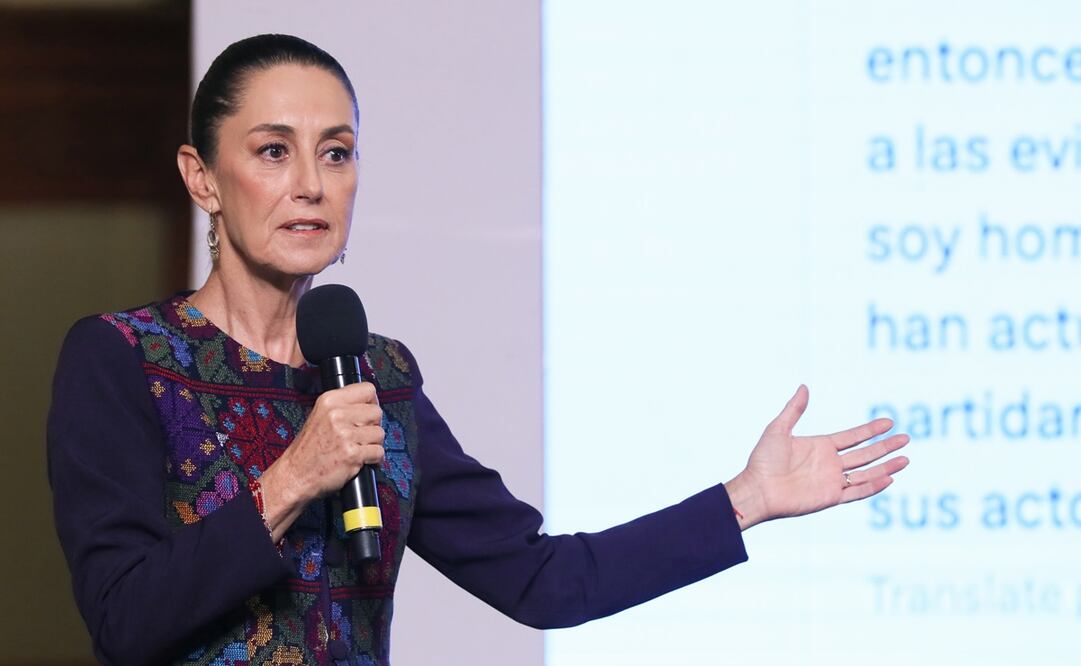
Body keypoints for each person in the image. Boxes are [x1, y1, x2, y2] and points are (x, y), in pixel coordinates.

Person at [47, 34, 910, 666]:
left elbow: (541, 580)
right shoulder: (124, 359)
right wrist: (290, 481)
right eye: (273, 152)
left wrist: (744, 499)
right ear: (203, 177)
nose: (311, 184)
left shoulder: (377, 377)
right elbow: (124, 621)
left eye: (337, 153)